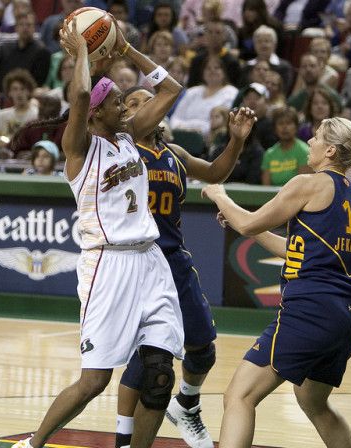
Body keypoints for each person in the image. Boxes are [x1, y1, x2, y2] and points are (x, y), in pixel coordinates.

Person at [11, 15, 185, 448]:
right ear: (94, 114)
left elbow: (170, 90)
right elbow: (84, 90)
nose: (126, 108)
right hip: (108, 265)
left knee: (160, 375)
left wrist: (125, 50)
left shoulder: (130, 137)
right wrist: (83, 50)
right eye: (118, 103)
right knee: (94, 382)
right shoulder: (79, 150)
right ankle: (32, 444)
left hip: (151, 261)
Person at [201, 116, 351, 448]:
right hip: (347, 314)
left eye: (316, 138)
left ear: (330, 150)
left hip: (310, 310)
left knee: (239, 396)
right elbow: (295, 251)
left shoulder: (307, 183)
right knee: (313, 402)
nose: (310, 142)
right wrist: (243, 221)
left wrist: (219, 195)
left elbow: (246, 224)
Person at [115, 87, 256, 448]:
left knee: (203, 348)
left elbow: (214, 172)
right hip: (135, 263)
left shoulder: (173, 154)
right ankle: (122, 438)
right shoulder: (123, 150)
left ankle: (187, 405)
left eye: (150, 99)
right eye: (134, 103)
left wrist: (236, 140)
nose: (145, 105)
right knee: (148, 362)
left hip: (174, 261)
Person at [168, 55, 238, 138]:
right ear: (203, 72)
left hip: (211, 137)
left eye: (216, 68)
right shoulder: (192, 91)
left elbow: (224, 121)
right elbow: (175, 117)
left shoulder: (231, 92)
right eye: (208, 68)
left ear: (223, 72)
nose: (212, 71)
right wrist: (182, 128)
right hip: (181, 134)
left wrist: (201, 130)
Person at [0, 11, 50, 96]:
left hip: (27, 96)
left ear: (35, 28)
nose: (25, 28)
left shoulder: (42, 52)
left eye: (28, 25)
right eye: (21, 24)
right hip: (2, 94)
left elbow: (38, 81)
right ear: (16, 28)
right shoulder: (4, 48)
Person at [262, 106, 312, 186]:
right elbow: (265, 188)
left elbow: (304, 186)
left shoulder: (305, 151)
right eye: (280, 123)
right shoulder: (269, 154)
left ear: (296, 127)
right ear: (275, 129)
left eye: (288, 123)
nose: (284, 127)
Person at [0, 68, 38, 140]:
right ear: (9, 92)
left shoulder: (36, 115)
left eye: (22, 89)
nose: (19, 93)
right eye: (15, 89)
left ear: (29, 91)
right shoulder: (2, 115)